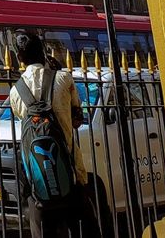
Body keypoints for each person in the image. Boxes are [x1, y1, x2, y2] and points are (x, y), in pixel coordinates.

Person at [10, 31, 101, 238]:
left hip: (38, 184)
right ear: (43, 52)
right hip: (72, 175)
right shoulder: (63, 79)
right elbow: (77, 120)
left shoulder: (16, 91)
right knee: (86, 229)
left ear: (19, 59)